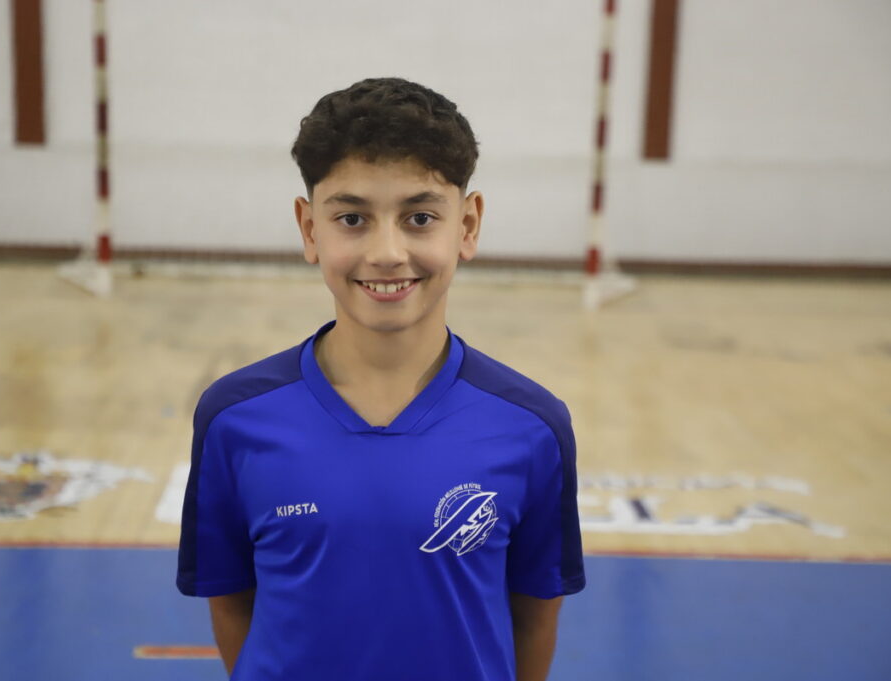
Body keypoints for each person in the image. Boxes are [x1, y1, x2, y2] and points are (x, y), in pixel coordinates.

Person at [177, 76, 585, 681]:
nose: (388, 252)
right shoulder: (235, 416)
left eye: (420, 217)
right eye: (352, 218)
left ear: (467, 226)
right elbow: (232, 601)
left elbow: (533, 617)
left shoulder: (531, 427)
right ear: (310, 228)